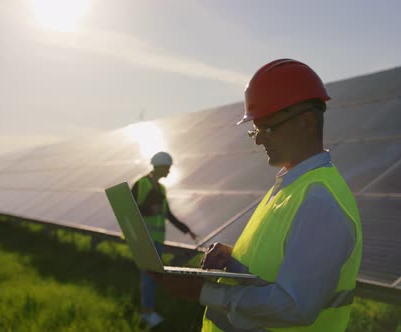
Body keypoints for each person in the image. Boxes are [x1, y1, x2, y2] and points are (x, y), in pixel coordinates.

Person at [151, 59, 362, 332]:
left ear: (307, 122)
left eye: (268, 128)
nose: (259, 139)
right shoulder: (291, 186)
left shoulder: (319, 201)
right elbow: (278, 264)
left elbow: (295, 305)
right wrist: (234, 257)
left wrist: (204, 292)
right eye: (256, 130)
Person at [131, 151, 198, 328]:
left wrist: (187, 230)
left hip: (158, 240)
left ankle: (149, 310)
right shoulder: (141, 184)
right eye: (168, 168)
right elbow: (131, 211)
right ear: (160, 167)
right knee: (148, 276)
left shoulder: (161, 189)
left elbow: (167, 213)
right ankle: (146, 313)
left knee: (151, 277)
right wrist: (147, 209)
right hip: (145, 239)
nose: (169, 172)